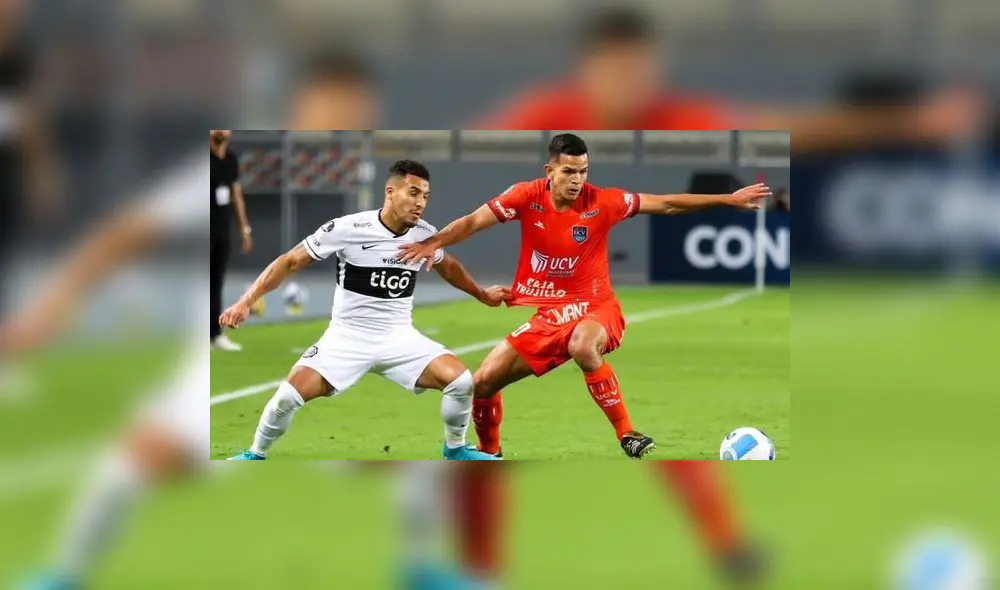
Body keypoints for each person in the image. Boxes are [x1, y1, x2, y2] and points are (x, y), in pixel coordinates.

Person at [397, 134, 770, 458]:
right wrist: (433, 242)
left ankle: (627, 433)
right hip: (551, 314)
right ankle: (490, 453)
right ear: (550, 171)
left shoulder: (603, 202)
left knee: (582, 345)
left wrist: (727, 199)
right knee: (483, 382)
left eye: (583, 171)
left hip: (597, 308)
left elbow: (666, 203)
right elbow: (473, 222)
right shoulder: (525, 196)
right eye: (569, 172)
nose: (577, 180)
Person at [222, 159, 508, 461]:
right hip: (346, 339)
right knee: (287, 397)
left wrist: (481, 294)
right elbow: (289, 261)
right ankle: (255, 455)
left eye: (425, 196)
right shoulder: (348, 228)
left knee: (460, 382)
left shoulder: (424, 234)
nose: (420, 203)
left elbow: (447, 266)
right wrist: (245, 302)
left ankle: (455, 449)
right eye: (413, 193)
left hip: (399, 339)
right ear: (390, 192)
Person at [474, 7, 983, 151]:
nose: (628, 81)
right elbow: (465, 166)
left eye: (639, 67)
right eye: (615, 68)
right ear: (587, 68)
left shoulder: (680, 119)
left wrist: (910, 121)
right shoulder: (540, 117)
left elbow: (790, 131)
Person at [210, 129, 252, 351]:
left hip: (221, 230)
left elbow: (235, 193)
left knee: (216, 283)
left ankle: (214, 335)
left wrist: (244, 228)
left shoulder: (230, 159)